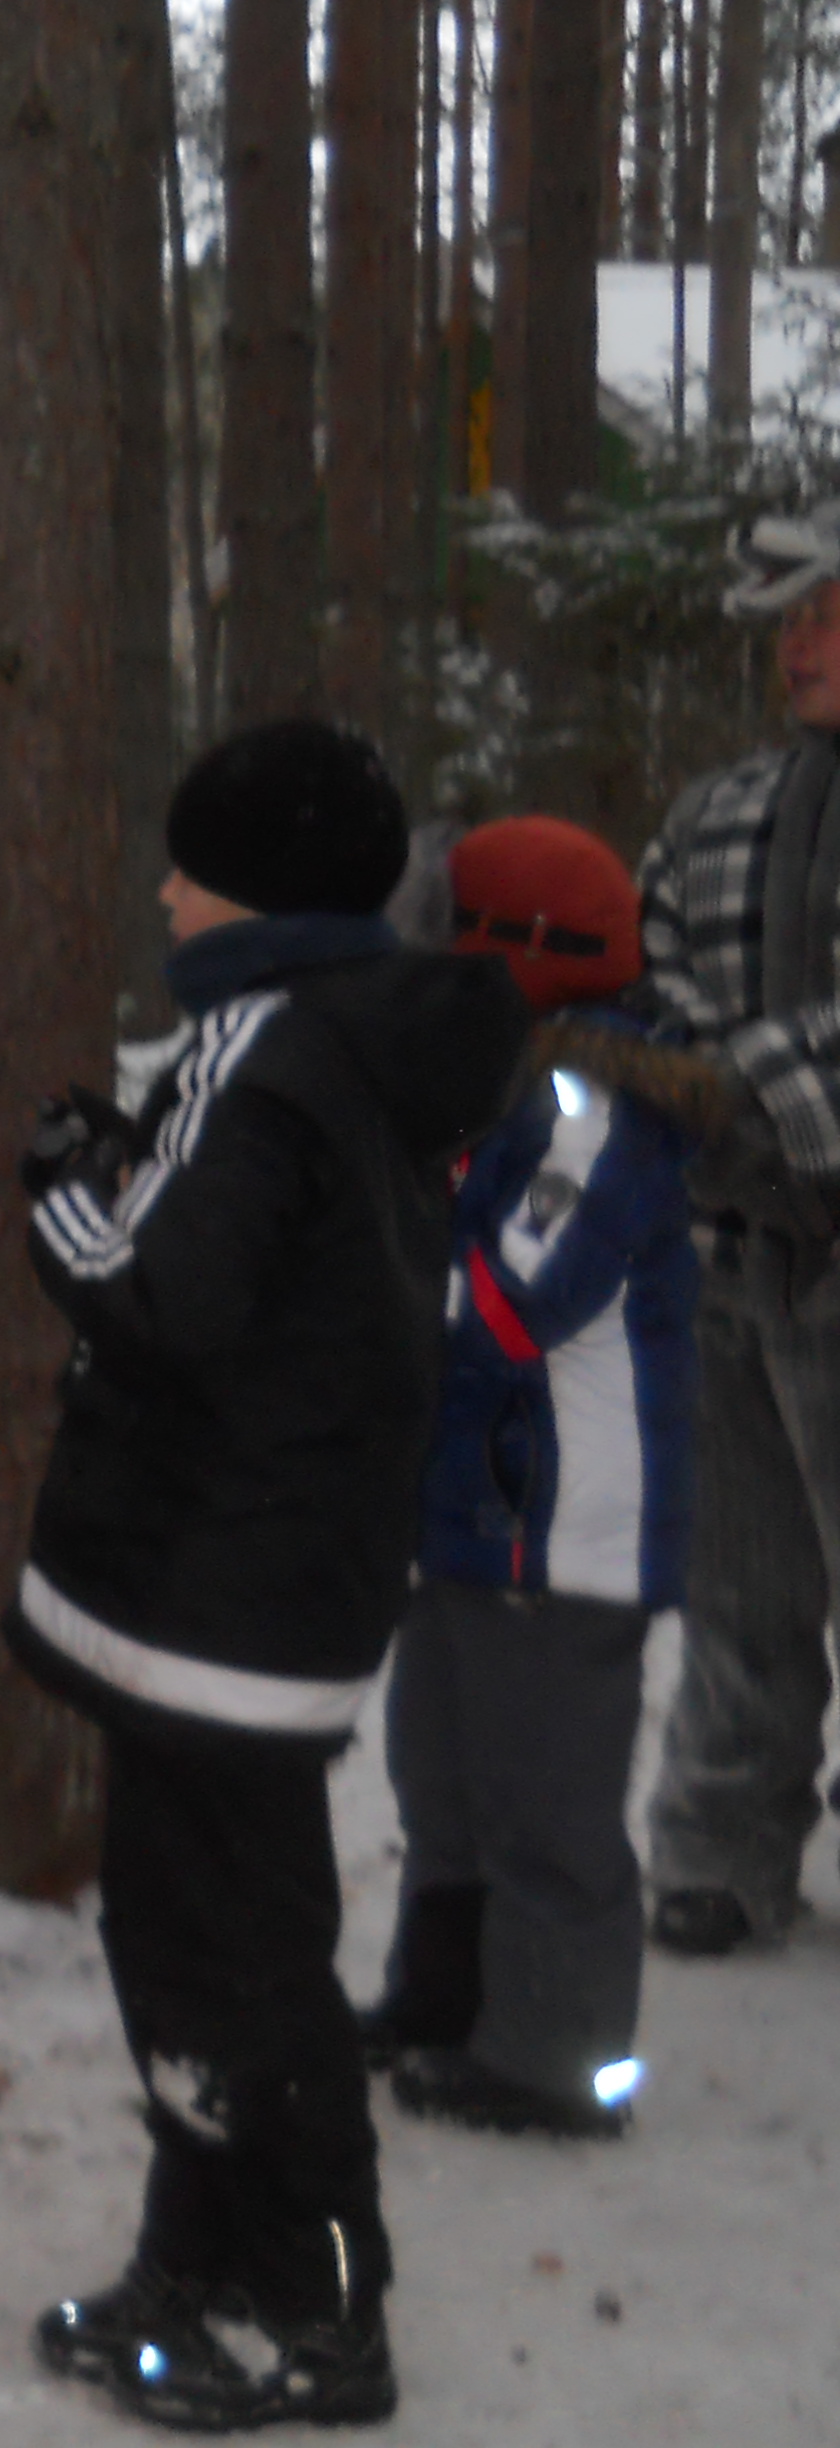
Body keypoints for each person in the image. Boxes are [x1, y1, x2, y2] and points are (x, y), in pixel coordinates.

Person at [6, 720, 528, 2433]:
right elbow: (259, 1265)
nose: (164, 892)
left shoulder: (269, 1044)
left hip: (218, 1589)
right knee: (205, 1950)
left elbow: (169, 1297)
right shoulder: (349, 1039)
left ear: (254, 891)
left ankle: (320, 2307)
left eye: (189, 867)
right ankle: (205, 2254)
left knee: (231, 1968)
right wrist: (133, 1170)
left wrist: (62, 1197)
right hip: (265, 1580)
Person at [361, 817, 712, 2140]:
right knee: (442, 1776)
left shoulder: (593, 1108)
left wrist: (372, 1262)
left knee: (547, 1800)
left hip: (565, 1532)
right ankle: (448, 1998)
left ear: (518, 949)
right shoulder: (498, 1088)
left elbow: (515, 1301)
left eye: (450, 932)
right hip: (475, 1511)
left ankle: (561, 2057)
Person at [635, 501, 840, 1959]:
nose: (798, 645)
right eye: (788, 622)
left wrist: (742, 1091)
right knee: (739, 1583)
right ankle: (721, 1844)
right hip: (730, 1260)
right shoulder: (715, 811)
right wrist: (678, 1087)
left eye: (827, 614)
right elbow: (650, 975)